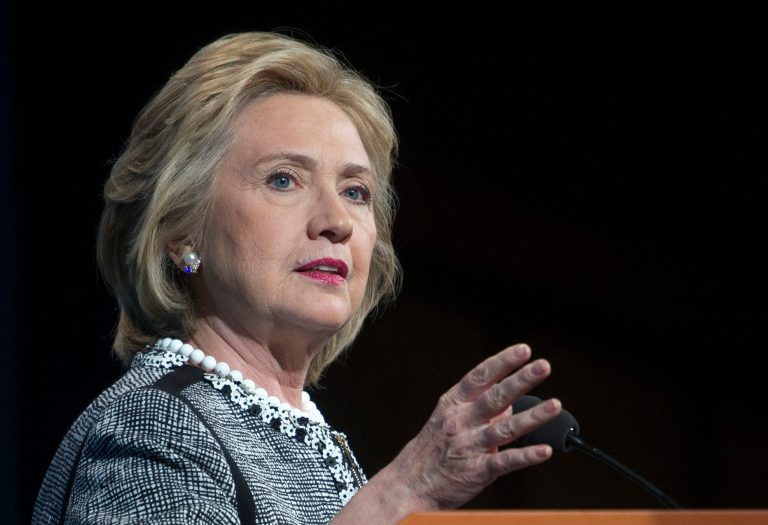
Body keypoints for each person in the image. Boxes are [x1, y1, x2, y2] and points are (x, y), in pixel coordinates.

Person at [32, 31, 563, 524]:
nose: (337, 221)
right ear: (182, 232)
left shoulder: (300, 440)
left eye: (355, 191)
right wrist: (401, 494)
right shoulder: (153, 426)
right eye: (284, 180)